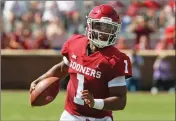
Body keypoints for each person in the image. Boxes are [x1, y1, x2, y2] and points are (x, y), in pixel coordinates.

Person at [30, 4, 131, 121]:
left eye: (108, 28)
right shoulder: (75, 44)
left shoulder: (116, 59)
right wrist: (41, 80)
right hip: (71, 116)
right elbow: (63, 68)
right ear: (90, 25)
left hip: (100, 118)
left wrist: (95, 103)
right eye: (100, 26)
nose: (104, 32)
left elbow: (120, 100)